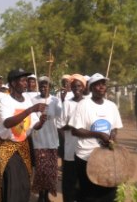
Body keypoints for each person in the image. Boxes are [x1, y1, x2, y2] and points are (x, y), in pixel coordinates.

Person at [0, 69, 47, 202]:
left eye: (26, 80)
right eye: (22, 80)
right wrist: (30, 110)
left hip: (23, 146)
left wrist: (41, 122)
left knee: (24, 183)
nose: (26, 83)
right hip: (6, 146)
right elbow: (7, 123)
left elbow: (34, 126)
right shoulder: (5, 100)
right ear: (13, 83)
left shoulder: (27, 100)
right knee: (12, 182)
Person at [68, 73, 123, 202]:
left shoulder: (112, 106)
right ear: (91, 88)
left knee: (109, 191)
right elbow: (75, 131)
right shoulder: (83, 105)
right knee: (89, 194)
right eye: (98, 85)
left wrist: (112, 137)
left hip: (106, 156)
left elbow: (114, 128)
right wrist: (98, 134)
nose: (101, 87)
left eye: (103, 84)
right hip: (86, 156)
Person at [31, 76, 61, 202]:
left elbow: (60, 115)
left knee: (51, 172)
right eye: (42, 85)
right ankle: (41, 195)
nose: (44, 88)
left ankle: (47, 194)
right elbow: (31, 118)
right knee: (41, 170)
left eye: (46, 85)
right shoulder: (33, 100)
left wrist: (62, 101)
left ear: (50, 87)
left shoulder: (55, 100)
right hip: (39, 140)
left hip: (52, 141)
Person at [57, 74, 86, 202]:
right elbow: (61, 125)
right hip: (70, 149)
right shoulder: (67, 103)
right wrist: (74, 126)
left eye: (79, 86)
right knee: (69, 182)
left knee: (84, 182)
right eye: (74, 87)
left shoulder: (88, 103)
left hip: (86, 150)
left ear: (83, 87)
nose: (76, 89)